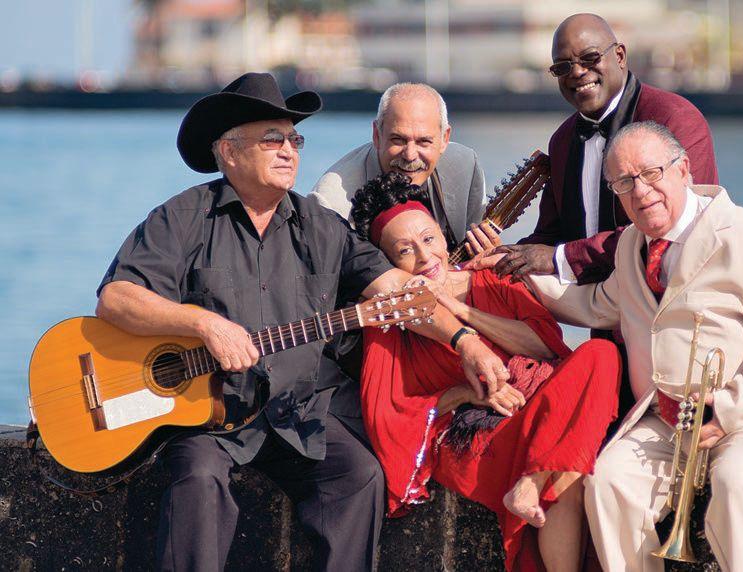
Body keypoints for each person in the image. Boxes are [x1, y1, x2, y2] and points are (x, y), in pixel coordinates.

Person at [95, 72, 510, 572]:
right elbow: (116, 298)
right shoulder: (181, 217)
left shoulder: (322, 227)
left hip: (296, 413)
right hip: (208, 417)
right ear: (229, 152)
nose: (289, 151)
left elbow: (401, 293)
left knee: (359, 478)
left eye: (295, 140)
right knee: (197, 480)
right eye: (273, 139)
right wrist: (203, 324)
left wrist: (464, 340)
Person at [527, 121, 743, 572]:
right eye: (624, 182)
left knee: (737, 482)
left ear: (683, 169)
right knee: (609, 481)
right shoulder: (631, 245)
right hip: (666, 424)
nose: (640, 191)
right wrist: (512, 275)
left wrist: (727, 411)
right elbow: (594, 304)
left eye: (651, 174)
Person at [349, 172, 621, 572]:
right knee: (566, 476)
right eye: (405, 251)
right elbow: (390, 413)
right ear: (388, 264)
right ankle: (533, 482)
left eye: (429, 239)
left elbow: (544, 347)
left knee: (601, 352)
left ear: (443, 236)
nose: (425, 257)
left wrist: (461, 310)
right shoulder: (392, 317)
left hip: (537, 405)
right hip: (477, 430)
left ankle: (530, 483)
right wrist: (468, 393)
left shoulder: (490, 277)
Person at [494, 13, 717, 284]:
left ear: (620, 56)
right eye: (563, 67)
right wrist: (497, 255)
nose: (577, 72)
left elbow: (678, 227)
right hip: (591, 306)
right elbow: (549, 238)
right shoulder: (562, 139)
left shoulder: (675, 118)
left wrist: (560, 258)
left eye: (589, 58)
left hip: (670, 298)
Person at [311, 82, 496, 253]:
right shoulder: (331, 203)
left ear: (445, 138)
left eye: (424, 142)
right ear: (376, 135)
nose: (410, 155)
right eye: (398, 140)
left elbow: (475, 256)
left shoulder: (465, 165)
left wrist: (490, 258)